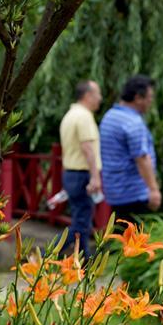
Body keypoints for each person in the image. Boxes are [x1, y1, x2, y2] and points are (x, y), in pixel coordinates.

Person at [99, 75, 161, 224]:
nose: (151, 102)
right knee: (135, 236)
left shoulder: (110, 116)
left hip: (114, 191)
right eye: (149, 97)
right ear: (138, 98)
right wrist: (153, 190)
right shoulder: (132, 123)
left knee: (120, 233)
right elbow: (142, 158)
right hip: (134, 193)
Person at [59, 80, 103, 259]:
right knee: (81, 224)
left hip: (71, 173)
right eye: (98, 94)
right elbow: (87, 148)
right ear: (88, 95)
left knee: (82, 223)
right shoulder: (84, 116)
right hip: (82, 175)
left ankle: (85, 262)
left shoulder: (70, 115)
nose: (100, 98)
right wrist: (95, 177)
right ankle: (46, 255)